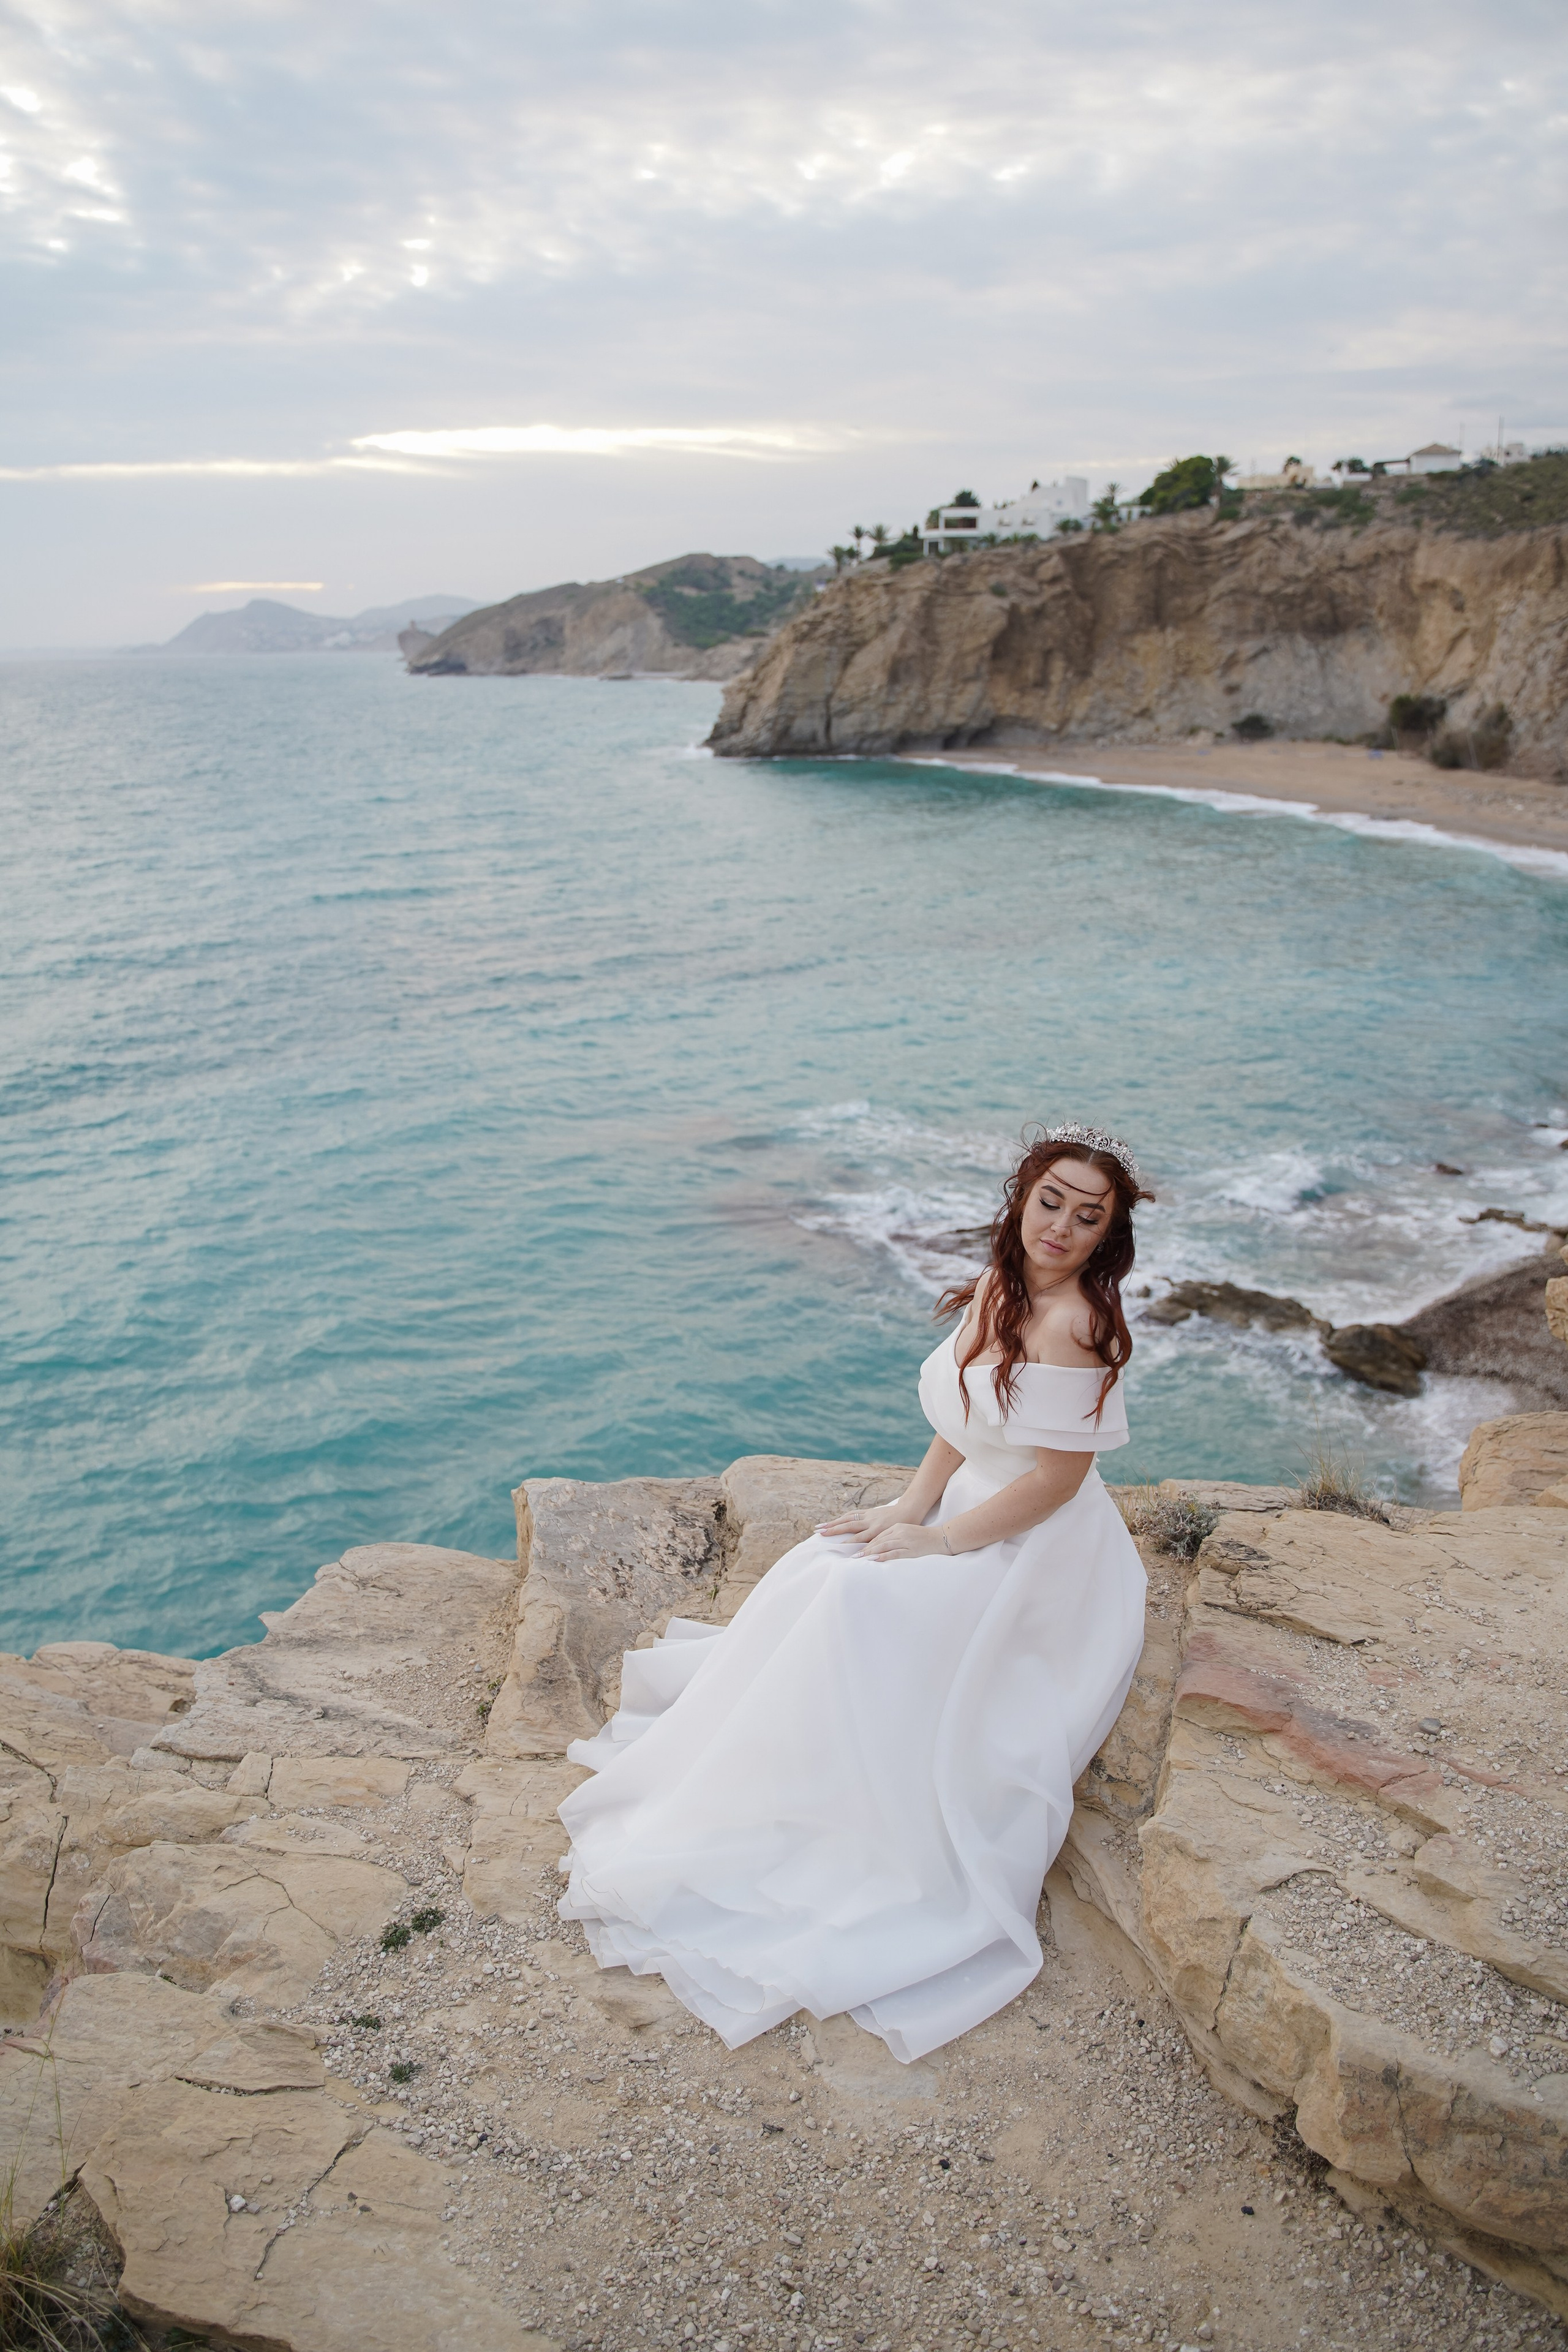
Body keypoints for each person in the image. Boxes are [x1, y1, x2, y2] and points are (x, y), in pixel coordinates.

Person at [557, 1121, 1152, 2063]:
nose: (1063, 1227)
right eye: (1051, 1202)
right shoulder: (1001, 1282)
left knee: (858, 1604)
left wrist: (941, 1542)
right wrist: (909, 1504)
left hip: (1039, 1556)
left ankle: (842, 1822)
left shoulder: (1076, 1324)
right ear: (1022, 1197)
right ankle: (767, 1784)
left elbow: (1053, 1486)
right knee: (823, 1566)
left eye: (1088, 1217)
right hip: (962, 1508)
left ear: (1105, 1235)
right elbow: (963, 1412)